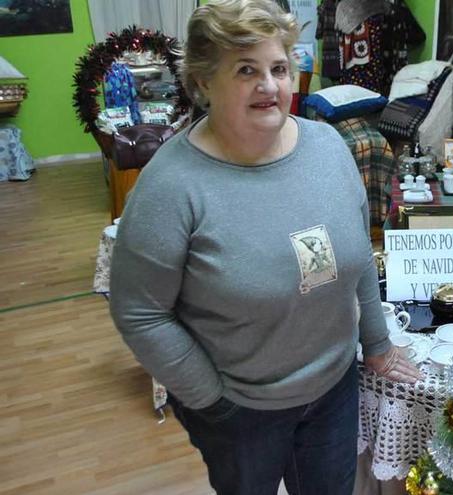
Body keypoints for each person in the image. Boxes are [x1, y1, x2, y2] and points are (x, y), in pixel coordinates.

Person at [108, 1, 420, 494]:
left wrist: (377, 344)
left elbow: (356, 252)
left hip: (334, 393)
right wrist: (211, 399)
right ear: (204, 82)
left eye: (278, 68)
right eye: (246, 69)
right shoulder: (171, 186)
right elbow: (139, 311)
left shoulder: (328, 149)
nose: (269, 85)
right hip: (241, 413)